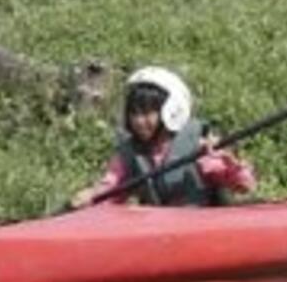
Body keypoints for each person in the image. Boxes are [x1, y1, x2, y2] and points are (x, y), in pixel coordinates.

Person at [69, 66, 255, 209]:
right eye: (134, 113)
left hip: (199, 230)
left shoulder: (198, 146)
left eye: (148, 113)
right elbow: (111, 187)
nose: (139, 121)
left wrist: (228, 160)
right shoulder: (130, 153)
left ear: (172, 111)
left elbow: (243, 186)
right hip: (158, 235)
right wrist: (92, 195)